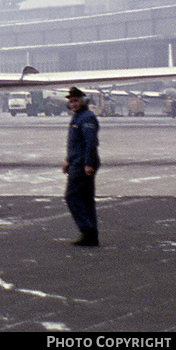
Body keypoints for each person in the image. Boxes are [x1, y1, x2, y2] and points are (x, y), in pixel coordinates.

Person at [62, 86, 100, 247]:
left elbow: (91, 143)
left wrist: (89, 163)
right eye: (71, 102)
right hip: (77, 162)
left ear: (83, 101)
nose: (73, 104)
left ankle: (87, 230)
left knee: (72, 197)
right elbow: (76, 144)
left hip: (83, 164)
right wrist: (68, 160)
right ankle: (91, 236)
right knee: (85, 199)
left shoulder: (86, 118)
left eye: (76, 101)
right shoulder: (78, 117)